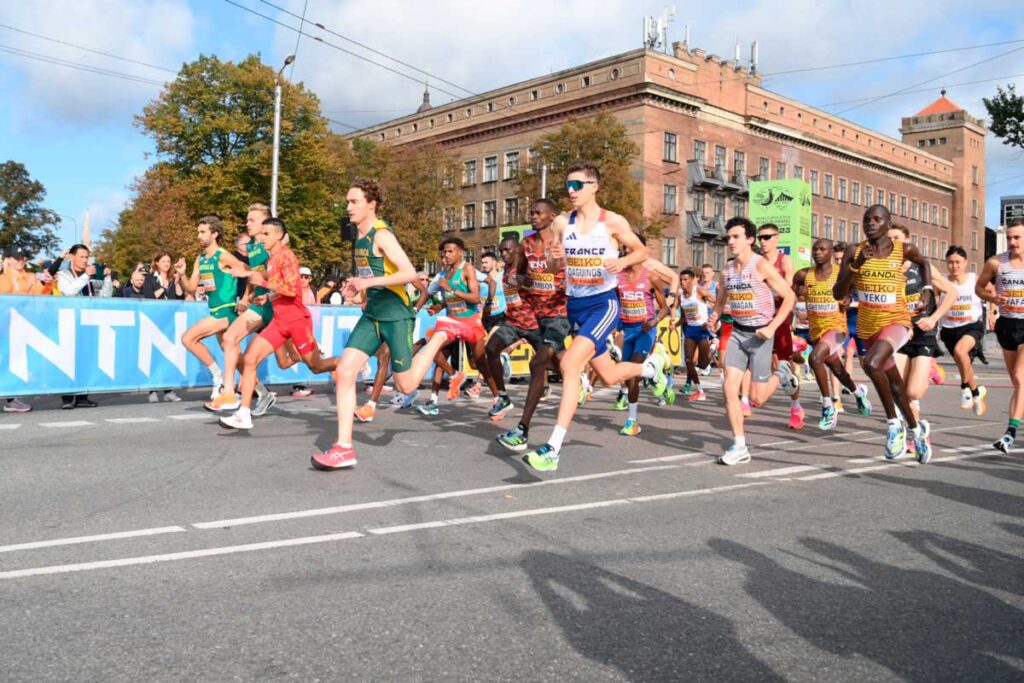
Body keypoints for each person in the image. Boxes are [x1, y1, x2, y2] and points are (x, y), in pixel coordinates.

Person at [311, 179, 484, 470]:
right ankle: (344, 448)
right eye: (347, 202)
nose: (348, 207)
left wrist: (370, 281)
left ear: (371, 204)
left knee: (405, 384)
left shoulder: (382, 235)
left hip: (396, 315)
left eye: (354, 202)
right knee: (344, 372)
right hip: (372, 314)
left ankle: (440, 337)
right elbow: (372, 273)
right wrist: (359, 288)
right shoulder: (359, 236)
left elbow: (407, 273)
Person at [521, 161, 668, 472]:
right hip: (576, 305)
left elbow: (642, 251)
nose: (570, 191)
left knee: (570, 363)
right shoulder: (563, 223)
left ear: (594, 187)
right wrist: (553, 258)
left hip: (604, 305)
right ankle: (651, 370)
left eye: (577, 185)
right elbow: (554, 268)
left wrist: (623, 260)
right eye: (568, 186)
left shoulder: (612, 222)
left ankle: (553, 447)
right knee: (611, 375)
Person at [834, 205, 934, 462]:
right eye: (867, 219)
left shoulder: (903, 250)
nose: (871, 223)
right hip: (868, 324)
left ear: (888, 224)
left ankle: (893, 426)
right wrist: (856, 266)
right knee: (897, 387)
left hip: (897, 320)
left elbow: (925, 265)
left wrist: (928, 290)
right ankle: (916, 430)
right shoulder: (853, 252)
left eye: (877, 219)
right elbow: (838, 293)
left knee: (872, 363)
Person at [219, 218, 340, 430]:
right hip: (278, 321)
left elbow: (293, 290)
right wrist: (269, 297)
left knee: (316, 366)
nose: (261, 238)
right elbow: (282, 288)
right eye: (261, 234)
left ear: (278, 235)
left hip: (296, 321)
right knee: (249, 360)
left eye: (266, 234)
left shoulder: (287, 256)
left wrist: (262, 283)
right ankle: (244, 414)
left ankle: (341, 363)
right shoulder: (272, 259)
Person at [708, 217, 798, 465]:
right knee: (729, 388)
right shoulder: (726, 271)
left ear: (749, 239)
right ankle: (739, 445)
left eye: (736, 237)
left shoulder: (760, 266)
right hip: (738, 332)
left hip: (760, 335)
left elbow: (790, 297)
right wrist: (715, 315)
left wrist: (771, 327)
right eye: (729, 237)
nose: (731, 242)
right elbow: (721, 300)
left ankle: (782, 372)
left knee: (757, 398)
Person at [496, 199, 571, 452]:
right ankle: (576, 377)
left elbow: (578, 274)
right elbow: (517, 276)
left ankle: (522, 430)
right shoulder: (526, 244)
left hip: (560, 314)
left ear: (552, 217)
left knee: (536, 363)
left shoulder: (563, 244)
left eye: (539, 213)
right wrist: (527, 281)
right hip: (535, 314)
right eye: (532, 213)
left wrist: (565, 284)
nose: (534, 216)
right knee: (552, 363)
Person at [889, 225, 957, 453]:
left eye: (897, 239)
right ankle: (917, 432)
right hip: (900, 332)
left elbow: (952, 292)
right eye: (889, 240)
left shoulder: (922, 267)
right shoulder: (886, 269)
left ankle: (928, 368)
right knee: (896, 388)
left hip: (924, 334)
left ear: (908, 241)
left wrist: (935, 317)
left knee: (913, 392)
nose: (893, 243)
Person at [792, 238, 871, 430]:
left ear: (829, 253)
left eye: (822, 249)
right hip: (816, 330)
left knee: (815, 358)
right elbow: (791, 296)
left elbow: (853, 286)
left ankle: (828, 406)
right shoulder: (804, 275)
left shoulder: (840, 273)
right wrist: (798, 296)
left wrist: (847, 298)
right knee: (837, 369)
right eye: (815, 249)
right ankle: (858, 392)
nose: (818, 252)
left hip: (836, 329)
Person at [205, 204, 276, 414]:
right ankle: (238, 393)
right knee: (230, 339)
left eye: (252, 220)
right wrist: (246, 297)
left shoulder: (271, 246)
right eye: (247, 219)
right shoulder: (254, 247)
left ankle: (340, 368)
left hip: (275, 304)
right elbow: (256, 277)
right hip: (260, 303)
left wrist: (247, 276)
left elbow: (274, 277)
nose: (247, 223)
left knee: (307, 362)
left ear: (265, 223)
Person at [180, 217, 248, 402]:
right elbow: (191, 288)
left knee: (188, 338)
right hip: (215, 309)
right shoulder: (200, 258)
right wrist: (181, 275)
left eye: (203, 232)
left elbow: (249, 272)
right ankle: (262, 393)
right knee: (236, 359)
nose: (198, 236)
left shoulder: (223, 255)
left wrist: (245, 298)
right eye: (198, 232)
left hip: (227, 311)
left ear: (215, 234)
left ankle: (218, 377)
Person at [613, 236, 675, 436]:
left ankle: (632, 421)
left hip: (645, 330)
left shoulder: (651, 277)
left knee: (631, 373)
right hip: (627, 330)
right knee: (625, 375)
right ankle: (654, 371)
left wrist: (655, 321)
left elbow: (665, 308)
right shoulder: (617, 277)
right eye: (623, 249)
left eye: (628, 249)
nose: (624, 253)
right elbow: (614, 304)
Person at [975, 217, 1024, 453]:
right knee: (1018, 382)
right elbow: (979, 288)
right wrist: (993, 298)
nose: (1013, 242)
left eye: (1018, 237)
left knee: (1020, 376)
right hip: (1007, 325)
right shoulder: (996, 263)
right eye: (1010, 237)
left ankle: (1009, 433)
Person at [484, 236, 540, 420]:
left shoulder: (525, 267)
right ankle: (502, 396)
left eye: (507, 251)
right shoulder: (506, 267)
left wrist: (524, 282)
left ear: (517, 250)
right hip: (514, 322)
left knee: (554, 363)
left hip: (533, 325)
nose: (504, 254)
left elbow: (535, 285)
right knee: (491, 349)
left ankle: (578, 378)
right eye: (501, 251)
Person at [757, 223, 804, 429]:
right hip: (761, 317)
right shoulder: (756, 262)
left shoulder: (784, 261)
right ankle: (746, 399)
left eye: (767, 237)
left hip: (780, 318)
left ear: (777, 238)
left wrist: (790, 319)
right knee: (768, 363)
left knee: (784, 364)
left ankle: (796, 407)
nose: (763, 241)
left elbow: (790, 293)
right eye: (761, 238)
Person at [56, 244, 110, 409]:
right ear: (72, 257)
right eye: (81, 257)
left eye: (87, 257)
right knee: (68, 358)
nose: (85, 260)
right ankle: (67, 397)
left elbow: (105, 295)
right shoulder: (63, 274)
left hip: (88, 320)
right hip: (68, 321)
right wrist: (86, 276)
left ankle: (82, 396)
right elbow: (70, 291)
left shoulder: (92, 275)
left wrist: (107, 278)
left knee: (86, 359)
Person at [940, 245, 988, 415]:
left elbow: (992, 291)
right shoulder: (942, 281)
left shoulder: (974, 279)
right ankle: (976, 392)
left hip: (972, 325)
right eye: (950, 262)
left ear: (966, 262)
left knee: (961, 352)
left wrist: (995, 311)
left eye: (958, 262)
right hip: (949, 329)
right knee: (963, 364)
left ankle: (964, 389)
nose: (954, 266)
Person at [0, 246, 43, 413]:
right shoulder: (4, 278)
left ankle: (13, 398)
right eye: (17, 258)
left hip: (25, 325)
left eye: (23, 257)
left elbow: (43, 296)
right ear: (9, 259)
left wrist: (46, 283)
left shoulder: (31, 277)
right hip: (7, 325)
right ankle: (11, 398)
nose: (21, 261)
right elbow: (5, 299)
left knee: (17, 361)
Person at [677, 267, 716, 402]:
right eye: (681, 280)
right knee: (688, 361)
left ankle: (713, 348)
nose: (683, 282)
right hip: (690, 330)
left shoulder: (699, 291)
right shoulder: (681, 296)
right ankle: (700, 391)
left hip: (703, 329)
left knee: (703, 365)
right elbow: (683, 317)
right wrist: (674, 325)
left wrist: (713, 318)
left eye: (686, 279)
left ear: (693, 280)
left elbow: (717, 302)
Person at [291, 265, 318, 399]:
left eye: (306, 277)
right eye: (300, 276)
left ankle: (300, 384)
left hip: (307, 328)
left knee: (308, 355)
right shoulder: (292, 290)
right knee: (294, 356)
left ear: (310, 279)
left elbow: (318, 309)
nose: (303, 279)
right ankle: (298, 384)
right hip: (293, 326)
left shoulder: (313, 291)